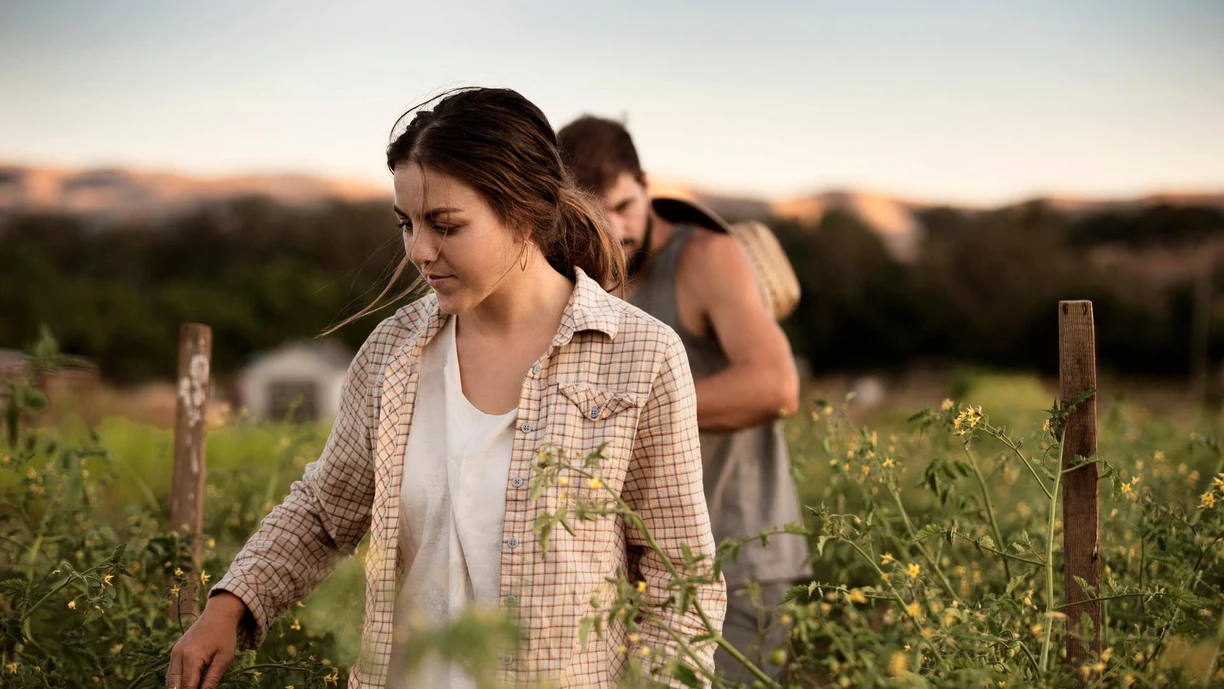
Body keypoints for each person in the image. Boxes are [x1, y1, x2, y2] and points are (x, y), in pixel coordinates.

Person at [167, 88, 725, 689]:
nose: (418, 251)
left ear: (525, 213)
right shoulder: (392, 353)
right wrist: (229, 607)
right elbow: (326, 512)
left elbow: (680, 580)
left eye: (445, 225)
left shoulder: (641, 356)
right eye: (406, 224)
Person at [558, 115, 810, 682]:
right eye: (594, 216)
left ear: (646, 185)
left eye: (624, 206)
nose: (614, 229)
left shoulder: (704, 258)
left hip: (739, 557)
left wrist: (633, 407)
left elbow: (775, 386)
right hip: (641, 573)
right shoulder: (580, 274)